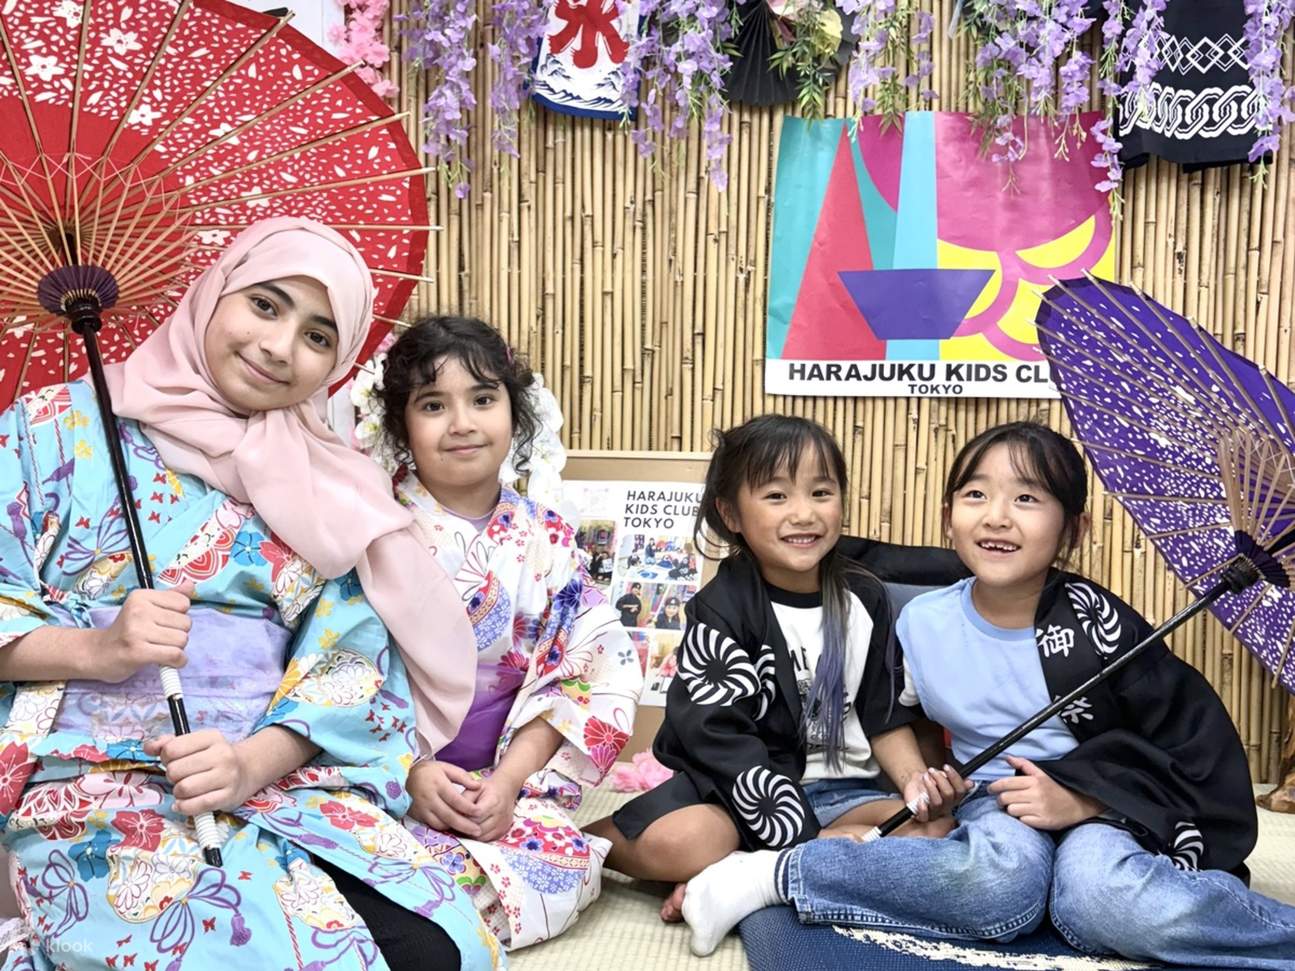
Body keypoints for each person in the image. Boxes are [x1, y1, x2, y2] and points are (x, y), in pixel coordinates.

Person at [0, 219, 497, 970]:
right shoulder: (49, 429)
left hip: (281, 775)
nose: (279, 346)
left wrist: (248, 764)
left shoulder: (326, 475)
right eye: (265, 305)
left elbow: (347, 662)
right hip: (90, 779)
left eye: (318, 336)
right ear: (214, 293)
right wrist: (99, 649)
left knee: (447, 950)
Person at [682, 421, 1295, 967]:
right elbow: (893, 715)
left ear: (1074, 528)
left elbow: (1184, 747)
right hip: (994, 803)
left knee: (1102, 900)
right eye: (976, 495)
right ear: (947, 513)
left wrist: (1084, 796)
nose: (997, 517)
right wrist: (924, 779)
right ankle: (774, 873)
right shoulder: (921, 623)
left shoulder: (1101, 626)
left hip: (1106, 811)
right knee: (1001, 885)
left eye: (1027, 499)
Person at [586, 415, 959, 924]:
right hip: (734, 794)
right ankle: (586, 841)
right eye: (777, 496)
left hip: (844, 794)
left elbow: (884, 716)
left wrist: (915, 783)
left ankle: (745, 874)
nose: (804, 514)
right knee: (688, 841)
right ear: (731, 513)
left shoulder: (866, 597)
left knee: (933, 830)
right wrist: (808, 838)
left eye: (821, 493)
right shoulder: (723, 610)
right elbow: (720, 741)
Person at [370, 315, 643, 949]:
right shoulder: (372, 528)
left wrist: (509, 782)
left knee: (565, 869)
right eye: (432, 405)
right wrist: (409, 770)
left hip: (503, 777)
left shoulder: (547, 536)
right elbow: (343, 667)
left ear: (516, 415)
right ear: (400, 427)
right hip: (388, 773)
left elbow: (584, 673)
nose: (461, 423)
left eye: (483, 399)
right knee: (353, 864)